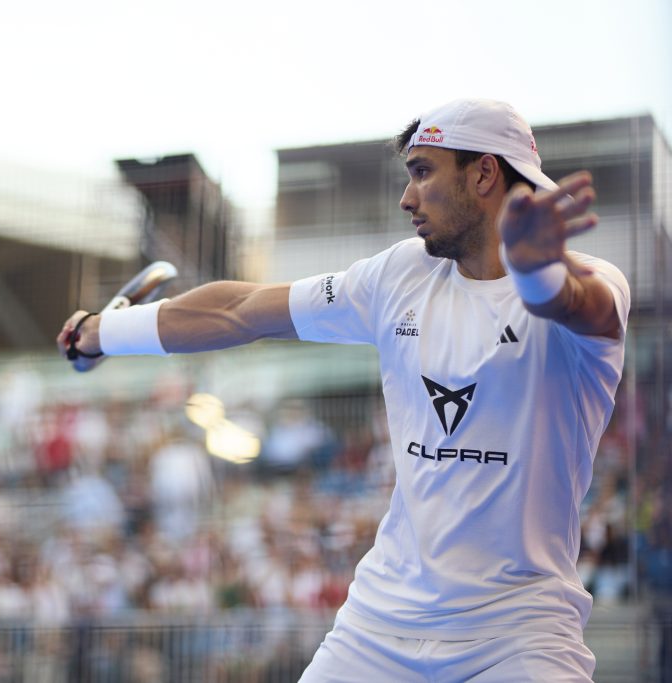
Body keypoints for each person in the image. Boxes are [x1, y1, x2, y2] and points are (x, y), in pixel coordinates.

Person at [57, 98, 629, 681]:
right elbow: (242, 309)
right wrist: (102, 332)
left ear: (483, 174)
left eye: (423, 172)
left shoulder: (595, 283)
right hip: (379, 627)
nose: (407, 197)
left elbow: (577, 304)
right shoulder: (398, 275)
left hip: (521, 636)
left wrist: (537, 272)